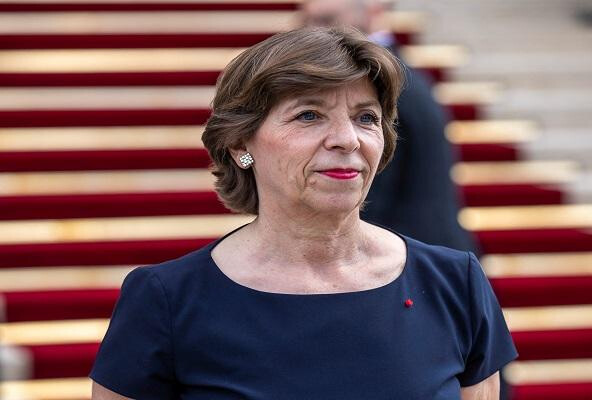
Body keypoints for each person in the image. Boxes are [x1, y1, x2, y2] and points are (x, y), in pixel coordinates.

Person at [90, 27, 517, 399]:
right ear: (239, 144)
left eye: (366, 118)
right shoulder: (166, 300)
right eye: (309, 115)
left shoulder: (454, 282)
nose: (347, 139)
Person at [302, 0, 480, 254]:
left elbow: (369, 197)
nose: (311, 32)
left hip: (410, 254)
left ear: (373, 11)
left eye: (327, 21)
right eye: (306, 21)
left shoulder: (378, 84)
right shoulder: (399, 74)